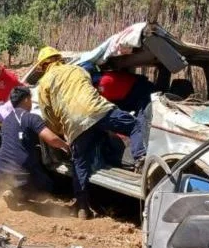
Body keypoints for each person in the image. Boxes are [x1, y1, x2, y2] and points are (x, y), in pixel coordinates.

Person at [35, 46, 146, 219]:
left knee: (80, 165)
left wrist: (61, 131)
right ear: (59, 58)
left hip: (74, 123)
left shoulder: (44, 83)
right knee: (134, 126)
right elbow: (92, 88)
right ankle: (140, 160)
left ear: (43, 66)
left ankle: (82, 208)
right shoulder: (77, 70)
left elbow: (48, 114)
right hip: (98, 111)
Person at [0, 86, 69, 209]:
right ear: (26, 100)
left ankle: (13, 191)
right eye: (30, 98)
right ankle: (18, 194)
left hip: (0, 168)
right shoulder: (31, 118)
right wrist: (66, 145)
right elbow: (52, 139)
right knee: (48, 186)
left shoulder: (7, 120)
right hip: (20, 170)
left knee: (21, 180)